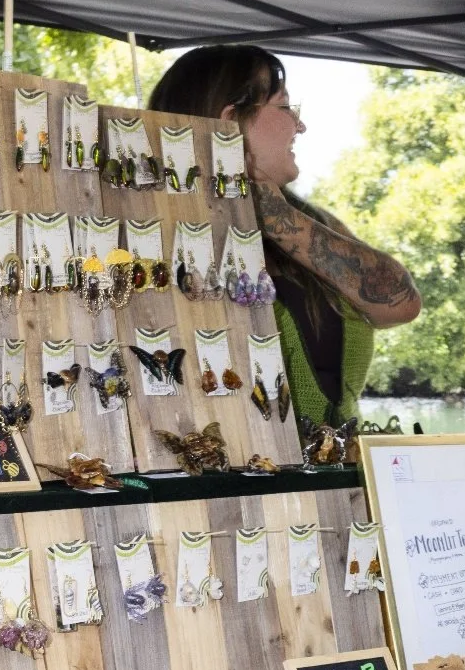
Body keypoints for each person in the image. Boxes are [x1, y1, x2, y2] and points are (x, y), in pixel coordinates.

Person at [146, 46, 419, 428]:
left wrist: (276, 215)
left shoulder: (311, 221)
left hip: (337, 476)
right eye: (286, 108)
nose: (300, 126)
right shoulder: (154, 230)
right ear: (231, 120)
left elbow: (400, 305)